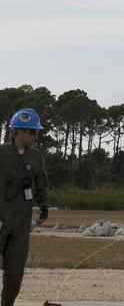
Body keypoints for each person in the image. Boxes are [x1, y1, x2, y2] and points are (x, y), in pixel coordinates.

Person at [0, 108, 49, 306]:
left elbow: (41, 184)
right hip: (1, 217)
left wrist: (44, 207)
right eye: (33, 132)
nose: (36, 137)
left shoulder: (36, 157)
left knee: (15, 273)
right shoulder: (1, 153)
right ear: (19, 132)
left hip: (21, 223)